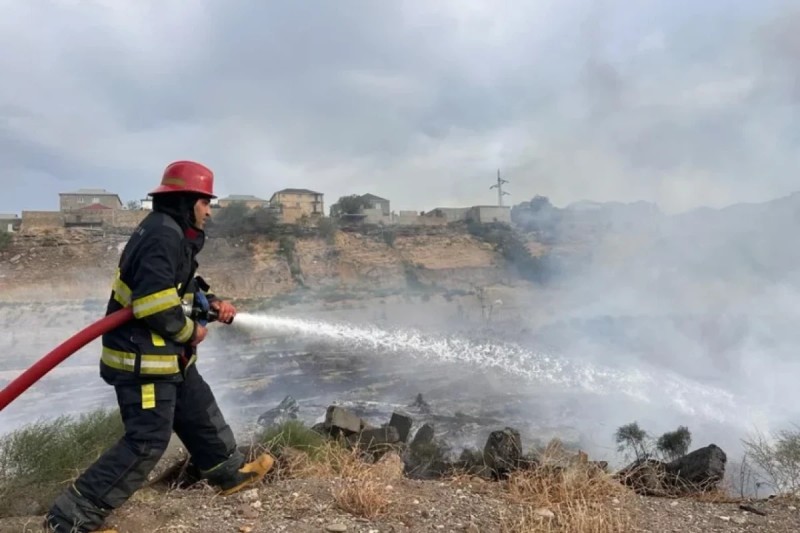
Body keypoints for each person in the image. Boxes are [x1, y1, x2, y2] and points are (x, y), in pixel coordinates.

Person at [45, 161, 274, 533]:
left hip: (164, 357)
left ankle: (228, 474)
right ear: (187, 202)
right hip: (142, 360)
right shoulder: (162, 236)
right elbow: (153, 301)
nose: (209, 211)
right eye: (205, 202)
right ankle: (72, 516)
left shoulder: (170, 233)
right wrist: (190, 333)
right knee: (148, 439)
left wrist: (209, 302)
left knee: (197, 406)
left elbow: (175, 286)